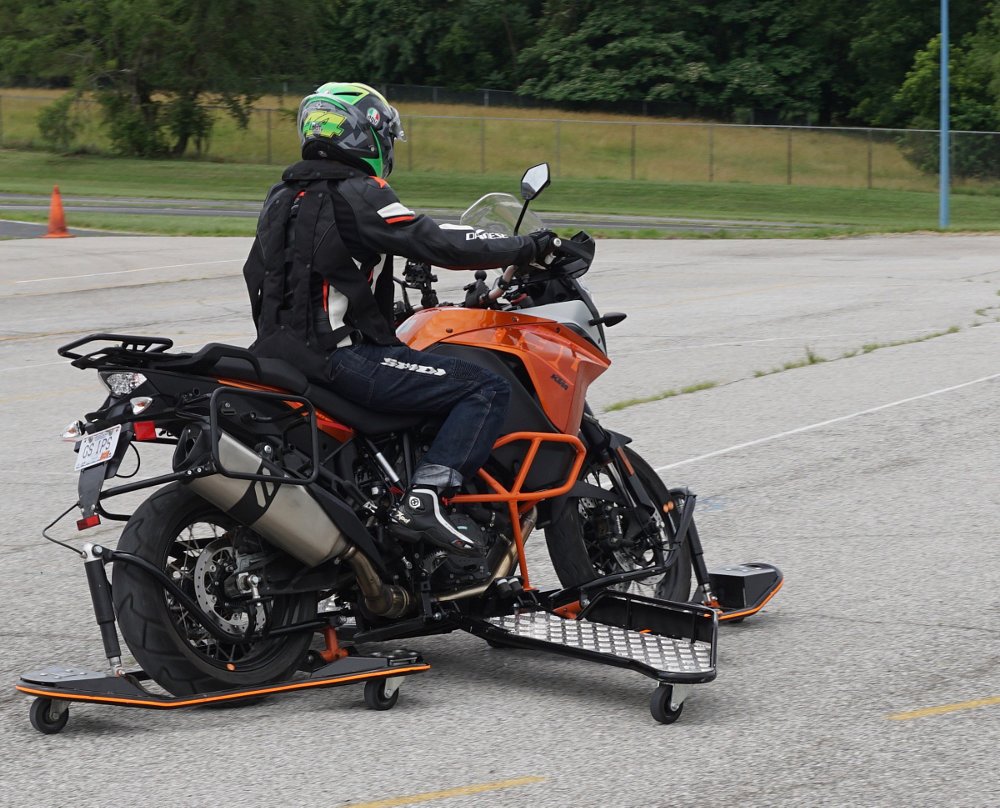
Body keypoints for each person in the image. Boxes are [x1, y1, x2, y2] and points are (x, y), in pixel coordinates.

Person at [242, 82, 555, 558]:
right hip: (339, 362)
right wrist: (527, 247)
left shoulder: (281, 196)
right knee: (484, 387)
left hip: (273, 357)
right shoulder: (360, 191)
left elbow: (277, 275)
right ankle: (426, 497)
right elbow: (435, 240)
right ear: (368, 136)